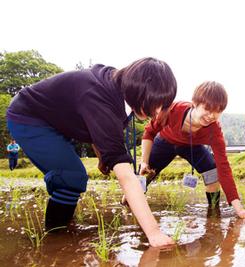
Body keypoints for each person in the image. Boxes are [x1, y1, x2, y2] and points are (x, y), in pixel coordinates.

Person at [6, 57, 177, 247]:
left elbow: (99, 130)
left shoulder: (118, 87)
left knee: (71, 178)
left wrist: (102, 156)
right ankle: (56, 242)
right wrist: (154, 233)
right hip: (29, 117)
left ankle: (64, 229)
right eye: (156, 103)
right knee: (72, 177)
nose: (158, 111)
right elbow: (126, 177)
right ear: (139, 90)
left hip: (59, 122)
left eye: (164, 104)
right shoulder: (99, 97)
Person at [135, 81, 245, 219]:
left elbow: (224, 168)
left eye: (218, 111)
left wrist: (239, 209)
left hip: (192, 147)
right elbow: (149, 133)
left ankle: (213, 213)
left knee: (212, 171)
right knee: (142, 177)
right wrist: (144, 162)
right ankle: (129, 205)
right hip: (165, 142)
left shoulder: (215, 132)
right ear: (195, 103)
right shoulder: (173, 109)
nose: (212, 116)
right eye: (208, 108)